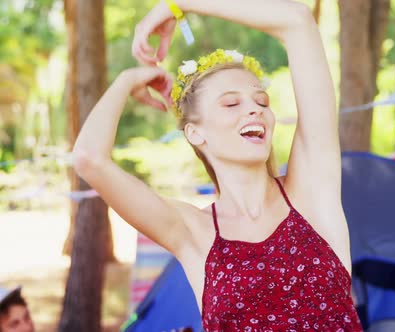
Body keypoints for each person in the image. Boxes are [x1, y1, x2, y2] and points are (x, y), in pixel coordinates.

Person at [72, 0, 362, 330]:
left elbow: (298, 22)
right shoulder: (192, 232)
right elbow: (88, 158)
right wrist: (127, 80)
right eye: (231, 103)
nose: (254, 109)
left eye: (261, 101)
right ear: (196, 133)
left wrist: (178, 4)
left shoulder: (310, 192)